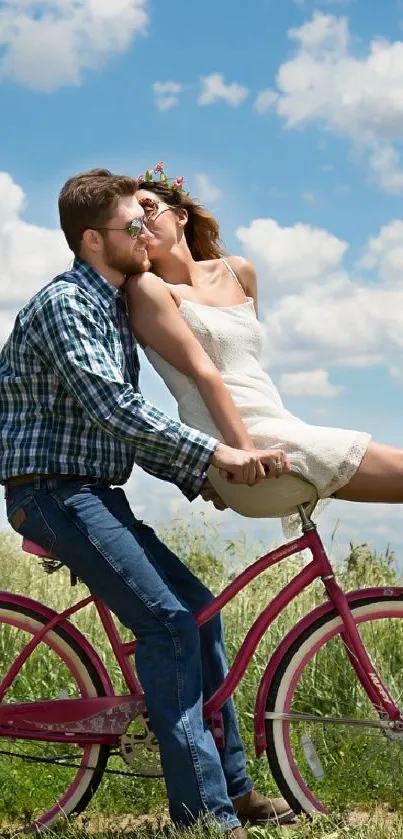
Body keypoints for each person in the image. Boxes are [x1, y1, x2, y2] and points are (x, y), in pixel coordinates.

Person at [0, 168, 297, 838]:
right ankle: (204, 815)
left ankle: (235, 789)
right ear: (92, 239)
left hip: (92, 491)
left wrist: (197, 479)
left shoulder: (112, 305)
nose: (144, 233)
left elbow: (124, 425)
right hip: (51, 492)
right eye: (131, 226)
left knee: (202, 614)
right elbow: (116, 408)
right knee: (168, 625)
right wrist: (214, 455)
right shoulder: (66, 306)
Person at [126, 165, 403, 537]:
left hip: (277, 422)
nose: (142, 223)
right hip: (237, 440)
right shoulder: (148, 288)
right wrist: (242, 453)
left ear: (180, 216)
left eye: (148, 209)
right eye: (131, 221)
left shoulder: (238, 271)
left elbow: (247, 366)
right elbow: (205, 374)